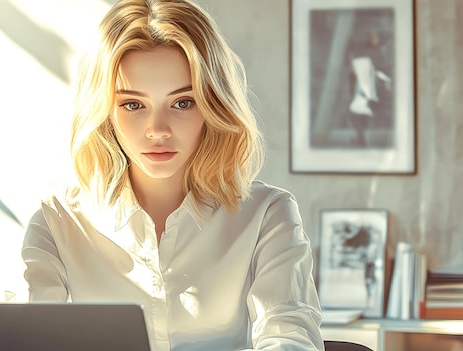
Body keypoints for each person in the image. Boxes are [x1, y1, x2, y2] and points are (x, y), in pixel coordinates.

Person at [22, 0, 324, 350]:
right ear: (104, 111)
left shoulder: (268, 215)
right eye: (133, 104)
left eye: (183, 102)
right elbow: (27, 339)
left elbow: (288, 336)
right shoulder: (57, 223)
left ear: (213, 105)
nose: (157, 130)